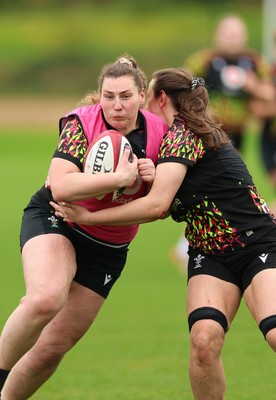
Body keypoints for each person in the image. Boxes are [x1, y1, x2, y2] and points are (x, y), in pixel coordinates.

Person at [52, 67, 276, 400]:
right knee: (203, 340)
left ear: (159, 99)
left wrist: (87, 215)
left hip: (257, 245)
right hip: (210, 254)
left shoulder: (185, 134)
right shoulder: (170, 142)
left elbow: (157, 206)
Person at [0, 54, 167, 400]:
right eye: (109, 96)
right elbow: (60, 187)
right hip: (58, 218)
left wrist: (154, 179)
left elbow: (161, 208)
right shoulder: (82, 122)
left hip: (108, 247)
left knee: (51, 348)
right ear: (99, 95)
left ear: (140, 96)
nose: (116, 106)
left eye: (125, 96)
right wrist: (119, 177)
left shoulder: (159, 132)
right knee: (45, 299)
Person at [170, 14, 275, 272]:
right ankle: (193, 245)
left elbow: (268, 93)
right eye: (228, 33)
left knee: (229, 192)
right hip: (206, 136)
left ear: (244, 37)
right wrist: (204, 109)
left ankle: (198, 245)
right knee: (213, 191)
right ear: (218, 35)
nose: (233, 39)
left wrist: (253, 87)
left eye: (237, 34)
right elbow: (184, 85)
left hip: (237, 135)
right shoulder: (204, 61)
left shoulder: (254, 63)